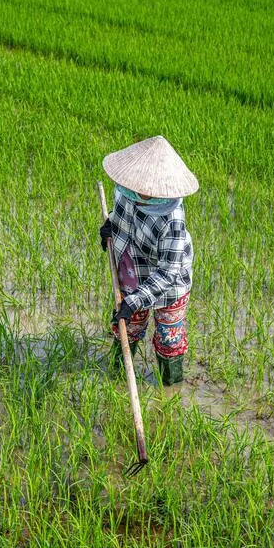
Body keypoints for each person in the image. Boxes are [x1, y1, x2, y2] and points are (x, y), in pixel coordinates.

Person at [98, 136, 198, 387]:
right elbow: (120, 219)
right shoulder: (125, 191)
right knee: (126, 327)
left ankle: (170, 387)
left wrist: (135, 301)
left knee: (169, 337)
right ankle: (117, 379)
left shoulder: (172, 219)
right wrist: (109, 227)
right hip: (132, 270)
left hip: (169, 285)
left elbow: (168, 273)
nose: (135, 190)